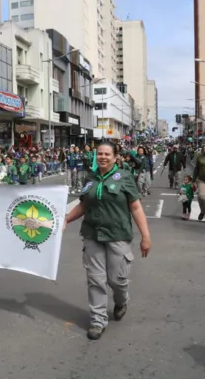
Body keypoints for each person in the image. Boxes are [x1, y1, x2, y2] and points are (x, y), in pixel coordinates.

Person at [63, 141, 152, 340]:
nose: (102, 157)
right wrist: (67, 218)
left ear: (115, 157)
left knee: (117, 280)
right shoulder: (90, 177)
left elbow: (136, 208)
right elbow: (84, 205)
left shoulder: (125, 177)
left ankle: (121, 301)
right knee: (95, 279)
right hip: (92, 235)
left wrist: (145, 236)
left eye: (106, 154)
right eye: (99, 154)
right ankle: (98, 320)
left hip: (118, 235)